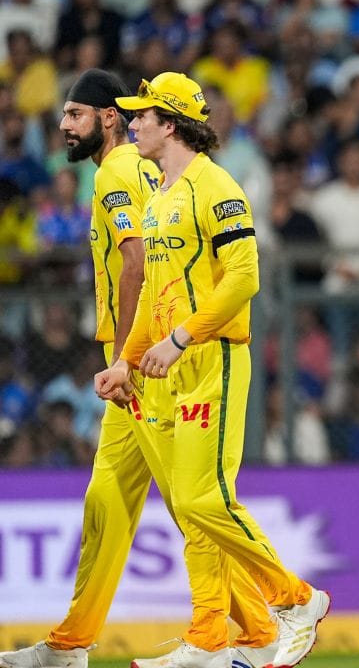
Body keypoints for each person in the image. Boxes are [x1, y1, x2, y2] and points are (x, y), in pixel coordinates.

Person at [0, 69, 278, 668]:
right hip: (139, 353)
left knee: (189, 500)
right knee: (108, 498)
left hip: (144, 358)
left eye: (75, 114)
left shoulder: (118, 171)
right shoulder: (138, 170)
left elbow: (136, 265)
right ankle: (72, 643)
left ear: (108, 118)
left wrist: (127, 358)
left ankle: (259, 629)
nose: (64, 125)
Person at [94, 72, 329, 668]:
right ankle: (207, 635)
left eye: (143, 115)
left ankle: (298, 600)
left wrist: (180, 338)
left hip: (213, 358)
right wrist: (125, 360)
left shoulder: (216, 186)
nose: (134, 124)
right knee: (189, 503)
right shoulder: (159, 197)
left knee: (203, 500)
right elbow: (152, 296)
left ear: (171, 124)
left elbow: (245, 278)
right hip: (171, 364)